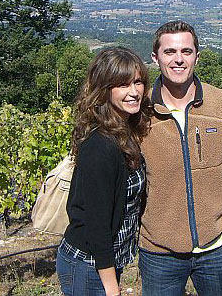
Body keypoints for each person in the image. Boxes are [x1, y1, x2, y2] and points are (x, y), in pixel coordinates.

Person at [139, 20, 222, 295]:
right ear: (155, 57)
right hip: (159, 250)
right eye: (169, 52)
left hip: (217, 247)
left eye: (186, 52)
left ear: (197, 56)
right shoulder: (139, 112)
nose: (178, 60)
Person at [56, 47, 151, 296]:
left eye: (138, 82)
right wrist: (111, 286)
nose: (134, 92)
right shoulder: (101, 144)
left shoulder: (122, 130)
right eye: (122, 84)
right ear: (104, 89)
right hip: (89, 265)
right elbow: (96, 221)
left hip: (101, 263)